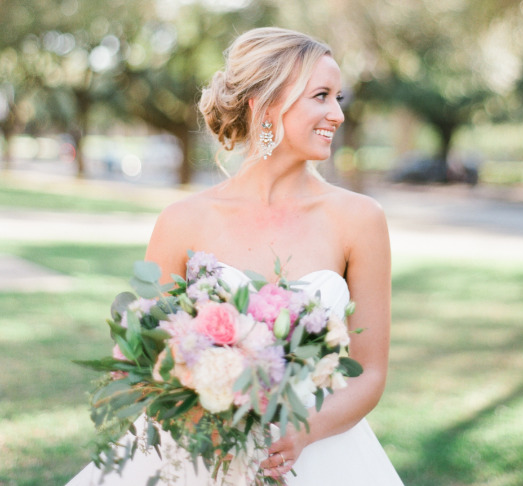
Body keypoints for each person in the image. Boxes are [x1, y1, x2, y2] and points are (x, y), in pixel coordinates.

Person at [67, 27, 404, 486]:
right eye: (321, 96)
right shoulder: (182, 220)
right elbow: (144, 357)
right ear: (264, 105)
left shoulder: (360, 219)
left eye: (338, 97)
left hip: (318, 453)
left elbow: (370, 372)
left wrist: (300, 431)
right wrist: (193, 412)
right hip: (198, 454)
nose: (338, 115)